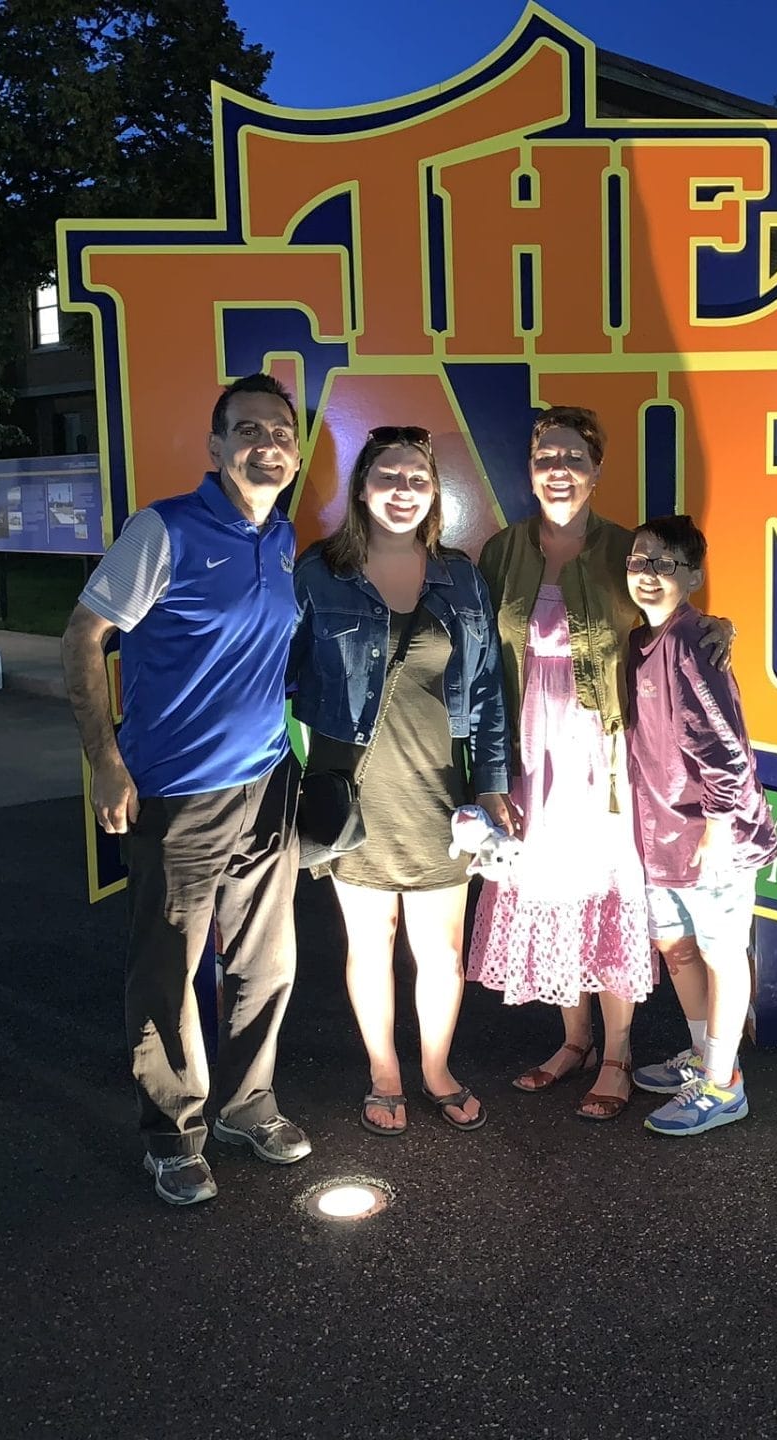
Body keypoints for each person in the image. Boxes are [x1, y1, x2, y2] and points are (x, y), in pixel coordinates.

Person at [60, 373, 312, 1206]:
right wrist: (105, 757)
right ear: (215, 446)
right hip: (175, 795)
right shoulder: (165, 528)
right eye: (247, 430)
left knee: (265, 963)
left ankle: (247, 1106)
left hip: (266, 783)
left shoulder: (282, 539)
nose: (266, 443)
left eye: (280, 430)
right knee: (168, 974)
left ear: (297, 446)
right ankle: (172, 1133)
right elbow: (85, 633)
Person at [468, 406, 731, 1121]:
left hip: (605, 754)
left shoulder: (624, 547)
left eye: (573, 457)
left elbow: (668, 606)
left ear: (595, 470)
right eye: (546, 457)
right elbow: (480, 655)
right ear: (530, 470)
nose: (559, 469)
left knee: (607, 896)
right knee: (552, 893)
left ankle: (616, 1053)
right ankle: (574, 1041)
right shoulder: (501, 550)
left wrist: (711, 625)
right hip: (531, 753)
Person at [289, 426, 513, 1137]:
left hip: (439, 795)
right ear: (362, 487)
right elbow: (278, 676)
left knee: (442, 950)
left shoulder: (461, 575)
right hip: (352, 793)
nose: (402, 490)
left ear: (434, 492)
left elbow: (486, 693)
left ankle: (437, 1069)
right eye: (388, 475)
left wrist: (491, 783)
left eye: (417, 478)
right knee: (370, 941)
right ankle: (385, 1073)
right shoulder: (319, 572)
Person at [621, 515, 777, 1135]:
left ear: (694, 576)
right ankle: (704, 1053)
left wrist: (718, 827)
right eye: (640, 561)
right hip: (658, 836)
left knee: (720, 952)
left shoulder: (693, 643)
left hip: (711, 839)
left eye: (665, 564)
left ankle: (723, 1085)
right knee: (676, 947)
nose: (649, 574)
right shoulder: (641, 642)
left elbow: (727, 748)